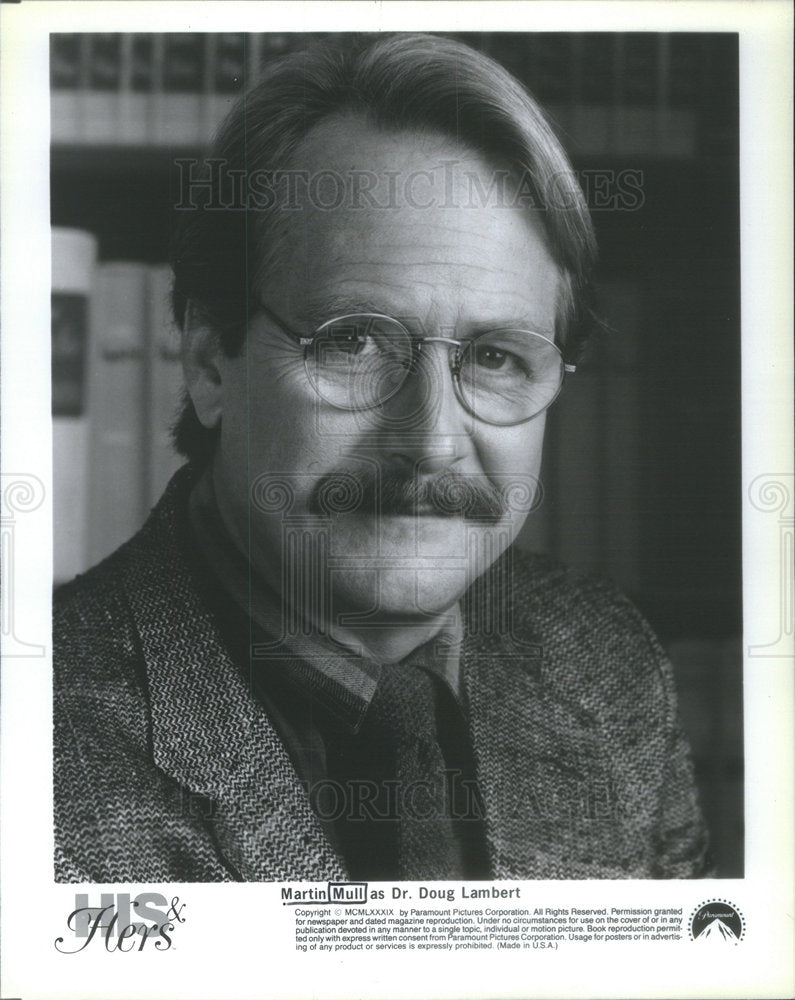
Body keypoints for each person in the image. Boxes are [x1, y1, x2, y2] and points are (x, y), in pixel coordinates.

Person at [54, 33, 710, 882]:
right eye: (355, 342)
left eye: (496, 357)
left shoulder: (605, 662)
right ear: (211, 360)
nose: (431, 441)